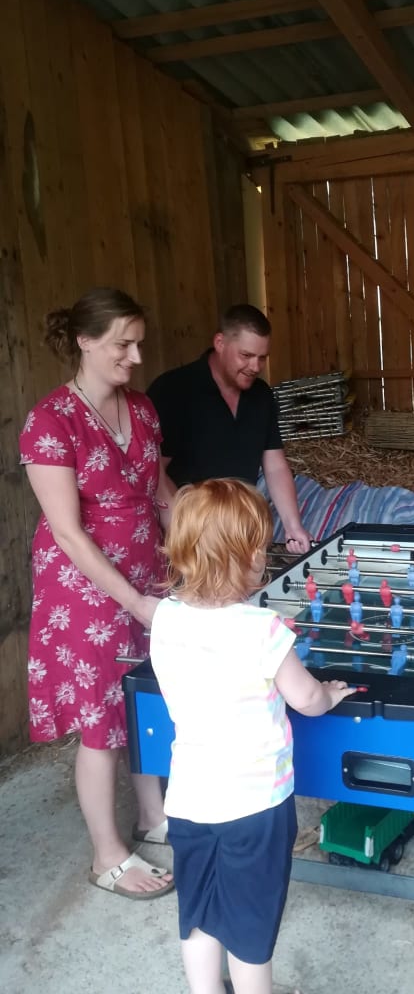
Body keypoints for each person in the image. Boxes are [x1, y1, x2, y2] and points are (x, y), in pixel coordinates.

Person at [149, 478, 357, 994]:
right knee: (250, 925)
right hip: (255, 806)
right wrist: (330, 695)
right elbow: (305, 698)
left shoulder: (164, 618)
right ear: (248, 559)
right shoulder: (263, 628)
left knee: (198, 908)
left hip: (188, 801)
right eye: (260, 548)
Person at [19, 287, 176, 899]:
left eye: (138, 344)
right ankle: (106, 855)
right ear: (84, 341)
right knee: (101, 716)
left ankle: (153, 815)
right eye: (122, 344)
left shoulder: (143, 409)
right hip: (83, 585)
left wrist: (196, 550)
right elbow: (68, 532)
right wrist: (134, 602)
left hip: (146, 569)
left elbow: (161, 491)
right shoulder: (50, 421)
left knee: (144, 696)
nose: (135, 357)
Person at [147, 305, 312, 553]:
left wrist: (293, 525)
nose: (255, 366)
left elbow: (275, 466)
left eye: (262, 357)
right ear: (220, 343)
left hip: (239, 530)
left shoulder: (261, 395)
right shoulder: (174, 390)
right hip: (188, 535)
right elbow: (155, 471)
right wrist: (186, 531)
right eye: (246, 355)